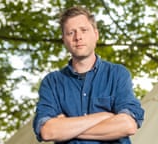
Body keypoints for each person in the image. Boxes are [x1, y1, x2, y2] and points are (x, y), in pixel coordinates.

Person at [33, 5, 144, 144]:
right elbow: (48, 131)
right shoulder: (52, 82)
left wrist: (66, 127)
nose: (78, 37)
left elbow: (128, 125)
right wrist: (104, 117)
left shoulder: (117, 74)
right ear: (64, 40)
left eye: (84, 30)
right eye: (70, 33)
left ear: (96, 34)